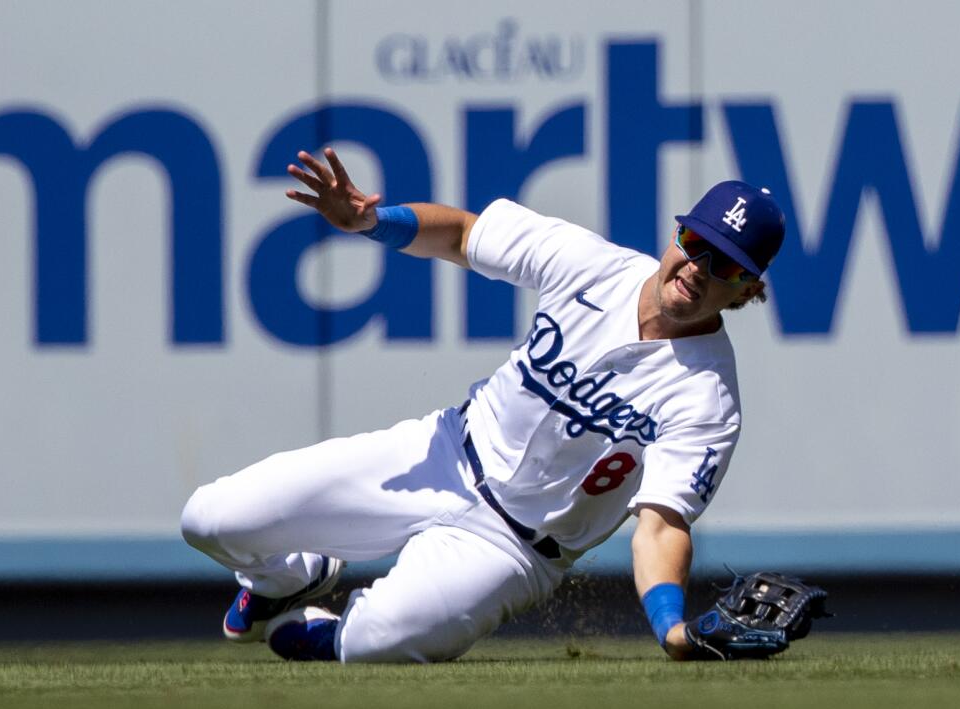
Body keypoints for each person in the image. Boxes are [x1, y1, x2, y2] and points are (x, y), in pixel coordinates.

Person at [181, 147, 786, 663]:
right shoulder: (592, 265)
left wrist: (673, 628)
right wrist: (371, 221)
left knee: (375, 643)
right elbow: (463, 235)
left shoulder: (708, 397)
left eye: (725, 263)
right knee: (209, 519)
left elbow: (659, 526)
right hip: (445, 450)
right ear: (674, 234)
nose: (696, 269)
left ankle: (326, 634)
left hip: (515, 547)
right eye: (694, 242)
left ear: (748, 289)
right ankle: (289, 578)